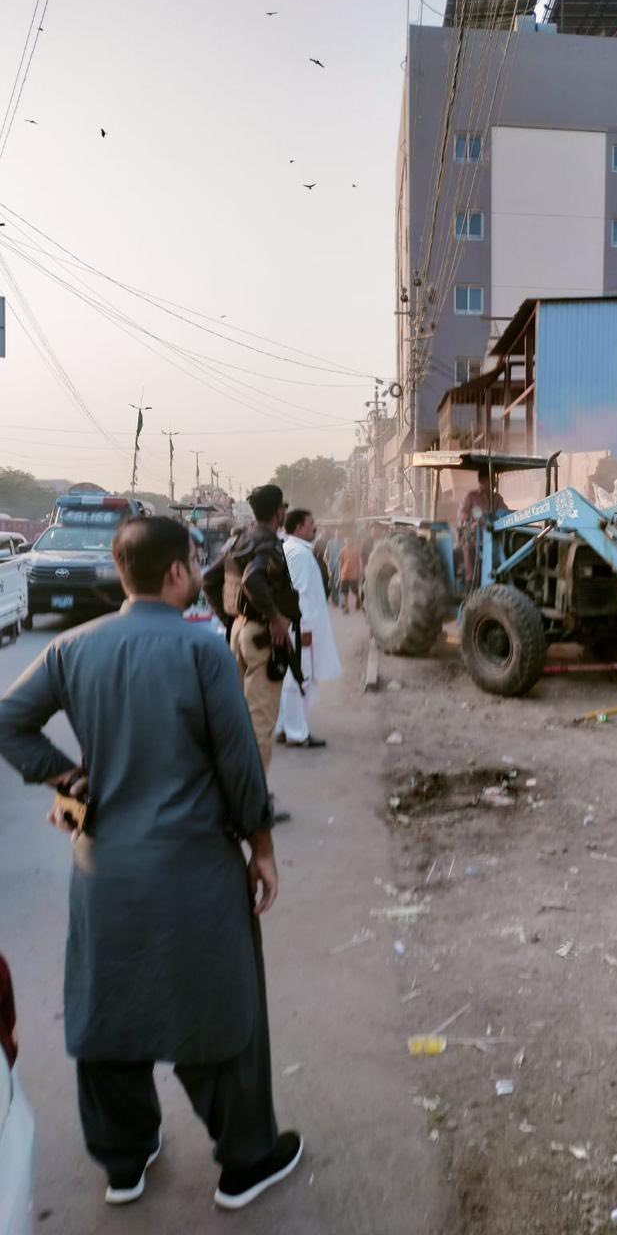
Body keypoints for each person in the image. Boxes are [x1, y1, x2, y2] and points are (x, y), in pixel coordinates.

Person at [0, 517, 302, 1211]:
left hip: (102, 871)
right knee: (222, 1012)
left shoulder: (71, 650)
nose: (200, 571)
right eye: (195, 562)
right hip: (194, 869)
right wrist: (261, 850)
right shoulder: (202, 653)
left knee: (108, 1010)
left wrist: (65, 777)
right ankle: (245, 1161)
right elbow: (238, 766)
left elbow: (7, 722)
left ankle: (123, 1161)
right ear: (174, 573)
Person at [203, 485, 300, 791]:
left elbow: (209, 579)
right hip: (261, 639)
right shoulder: (267, 543)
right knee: (260, 725)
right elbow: (252, 579)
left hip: (241, 634)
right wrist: (275, 619)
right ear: (279, 513)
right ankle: (252, 800)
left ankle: (234, 791)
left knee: (240, 722)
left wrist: (231, 622)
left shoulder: (239, 540)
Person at [276, 508, 341, 748]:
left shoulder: (295, 550)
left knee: (296, 680)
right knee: (299, 681)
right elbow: (300, 594)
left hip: (301, 628)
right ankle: (296, 732)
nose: (315, 527)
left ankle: (287, 727)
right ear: (299, 528)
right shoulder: (299, 554)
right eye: (311, 523)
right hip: (301, 630)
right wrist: (304, 629)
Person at [458, 467, 509, 584]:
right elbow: (462, 513)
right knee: (469, 548)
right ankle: (470, 580)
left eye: (495, 480)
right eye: (491, 480)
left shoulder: (497, 498)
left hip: (494, 532)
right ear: (482, 481)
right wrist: (472, 520)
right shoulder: (471, 496)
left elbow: (504, 511)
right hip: (474, 533)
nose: (494, 483)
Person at [337, 530, 363, 614]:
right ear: (344, 540)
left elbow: (360, 561)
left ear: (352, 540)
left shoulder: (356, 550)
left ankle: (358, 598)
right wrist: (339, 574)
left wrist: (360, 572)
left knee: (354, 590)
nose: (348, 541)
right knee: (345, 591)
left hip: (354, 574)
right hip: (344, 574)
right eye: (346, 539)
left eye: (349, 539)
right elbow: (340, 563)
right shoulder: (342, 551)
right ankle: (346, 607)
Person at [323, 528, 343, 606]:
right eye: (337, 532)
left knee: (338, 583)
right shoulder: (330, 542)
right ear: (335, 533)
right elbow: (325, 556)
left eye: (339, 532)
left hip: (340, 566)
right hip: (331, 566)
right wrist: (328, 565)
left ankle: (338, 599)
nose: (338, 533)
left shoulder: (343, 543)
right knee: (332, 583)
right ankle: (335, 600)